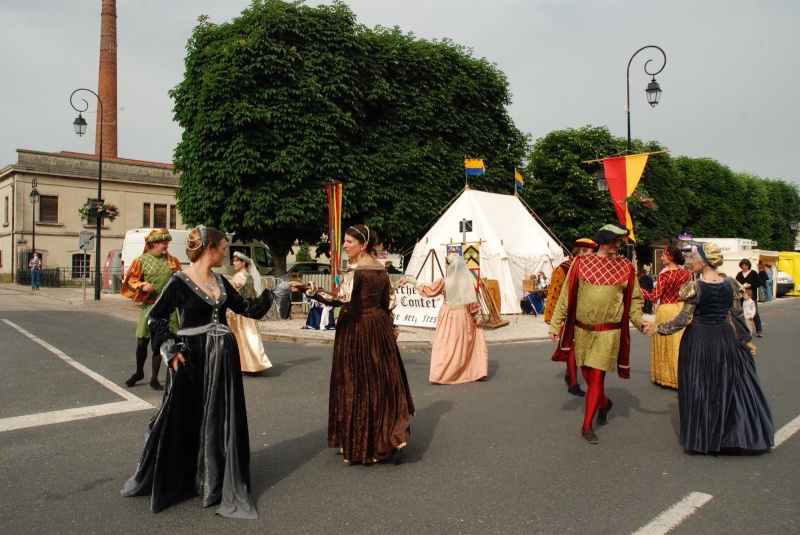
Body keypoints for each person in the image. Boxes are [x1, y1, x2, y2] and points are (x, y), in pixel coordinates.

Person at [121, 226, 291, 518]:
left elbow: (247, 307)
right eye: (223, 247)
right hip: (191, 356)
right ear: (209, 248)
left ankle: (212, 475)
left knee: (219, 415)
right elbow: (156, 317)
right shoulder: (180, 281)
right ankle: (183, 475)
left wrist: (276, 293)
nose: (226, 252)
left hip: (222, 357)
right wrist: (170, 349)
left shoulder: (222, 282)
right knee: (185, 413)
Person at [293, 224, 414, 464]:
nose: (345, 246)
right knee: (379, 384)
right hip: (378, 328)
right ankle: (383, 438)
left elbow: (340, 299)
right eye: (345, 242)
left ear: (363, 245)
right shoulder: (381, 269)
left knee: (356, 384)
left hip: (357, 329)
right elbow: (388, 303)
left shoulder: (357, 271)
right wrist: (390, 332)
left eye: (349, 242)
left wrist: (309, 290)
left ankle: (364, 445)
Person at [644, 241, 774, 454]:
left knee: (700, 387)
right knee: (723, 384)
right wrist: (744, 340)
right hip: (724, 338)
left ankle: (704, 436)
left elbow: (683, 320)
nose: (691, 262)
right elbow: (737, 315)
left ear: (703, 262)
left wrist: (657, 329)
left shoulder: (696, 287)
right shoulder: (730, 284)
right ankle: (725, 435)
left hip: (699, 340)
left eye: (694, 259)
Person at [548, 224, 645, 444]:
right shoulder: (581, 263)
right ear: (603, 241)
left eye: (620, 241)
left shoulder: (625, 267)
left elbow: (635, 300)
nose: (618, 245)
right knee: (587, 376)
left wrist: (640, 323)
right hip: (582, 331)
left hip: (608, 333)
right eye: (614, 241)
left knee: (598, 376)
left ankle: (586, 425)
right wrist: (556, 324)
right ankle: (604, 403)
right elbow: (565, 296)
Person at [398, 253, 488, 384]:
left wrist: (412, 281)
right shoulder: (466, 282)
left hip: (448, 315)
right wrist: (478, 318)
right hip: (463, 315)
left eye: (446, 263)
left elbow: (429, 290)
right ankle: (467, 370)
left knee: (445, 344)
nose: (445, 265)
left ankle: (443, 373)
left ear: (450, 265)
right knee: (462, 344)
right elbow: (472, 303)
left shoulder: (445, 281)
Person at [121, 229, 181, 390]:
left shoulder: (173, 261)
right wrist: (142, 285)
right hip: (150, 305)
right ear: (154, 244)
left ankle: (154, 378)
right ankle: (139, 372)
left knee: (159, 343)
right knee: (142, 341)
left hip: (167, 308)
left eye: (167, 242)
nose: (166, 245)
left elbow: (180, 280)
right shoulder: (141, 260)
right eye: (164, 243)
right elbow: (131, 280)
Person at [544, 237, 597, 397]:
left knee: (574, 347)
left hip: (585, 315)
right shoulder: (563, 268)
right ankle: (573, 383)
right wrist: (552, 318)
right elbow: (554, 293)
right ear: (581, 251)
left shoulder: (590, 268)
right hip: (568, 315)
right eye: (591, 252)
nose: (594, 256)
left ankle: (569, 375)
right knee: (573, 347)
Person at [640, 245, 691, 389]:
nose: (661, 257)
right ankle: (682, 375)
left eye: (664, 255)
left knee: (666, 344)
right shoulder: (686, 274)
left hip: (667, 309)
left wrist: (639, 290)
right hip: (682, 308)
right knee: (681, 344)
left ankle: (667, 376)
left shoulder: (665, 275)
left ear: (670, 257)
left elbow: (654, 296)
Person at [228, 251, 273, 373]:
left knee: (239, 338)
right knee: (250, 337)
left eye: (236, 261)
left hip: (239, 312)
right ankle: (252, 363)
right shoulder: (249, 276)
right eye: (234, 260)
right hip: (249, 308)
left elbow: (231, 286)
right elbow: (253, 294)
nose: (234, 263)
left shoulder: (239, 276)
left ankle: (244, 364)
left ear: (243, 263)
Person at [735, 259, 763, 337]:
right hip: (742, 296)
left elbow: (759, 283)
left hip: (751, 296)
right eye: (743, 265)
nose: (744, 267)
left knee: (755, 312)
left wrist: (751, 285)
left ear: (748, 266)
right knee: (741, 312)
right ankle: (742, 329)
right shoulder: (739, 274)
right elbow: (736, 283)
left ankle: (759, 329)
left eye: (746, 265)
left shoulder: (753, 273)